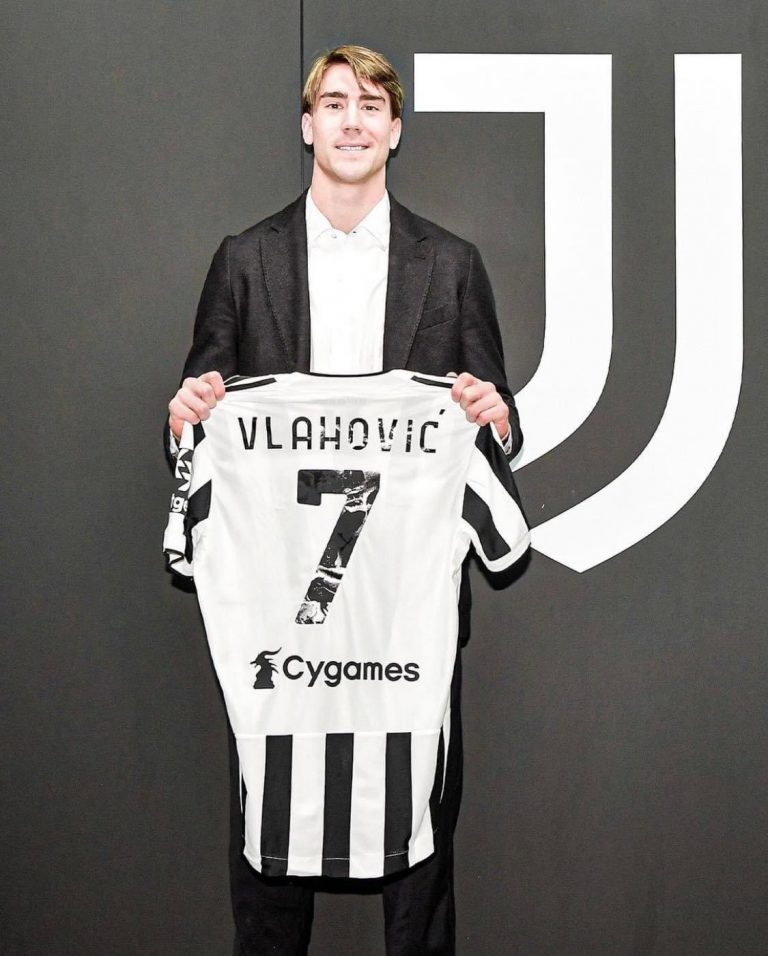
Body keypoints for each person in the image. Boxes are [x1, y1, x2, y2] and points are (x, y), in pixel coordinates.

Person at [166, 44, 523, 956]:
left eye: (371, 105)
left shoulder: (452, 264)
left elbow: (493, 422)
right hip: (281, 612)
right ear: (307, 126)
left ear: (395, 131)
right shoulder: (245, 260)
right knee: (271, 838)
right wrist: (187, 417)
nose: (352, 121)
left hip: (405, 609)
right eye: (333, 103)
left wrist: (494, 419)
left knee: (420, 852)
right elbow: (203, 412)